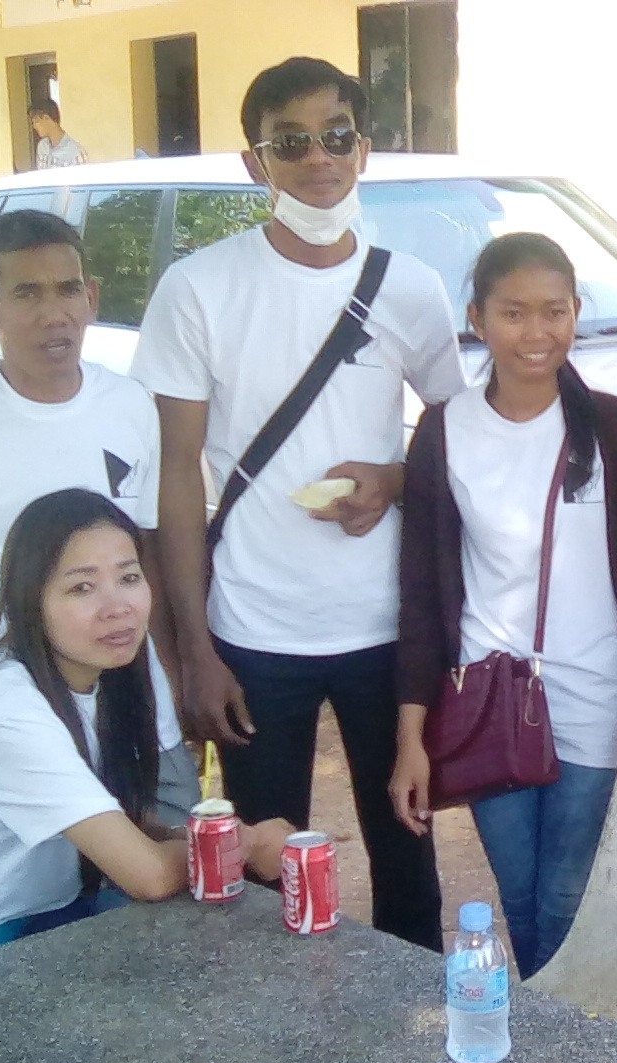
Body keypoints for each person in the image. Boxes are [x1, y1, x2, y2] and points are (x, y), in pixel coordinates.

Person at [132, 57, 463, 952]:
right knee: (260, 867)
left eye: (336, 136)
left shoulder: (412, 288)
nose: (318, 158)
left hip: (386, 631)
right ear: (256, 163)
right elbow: (175, 474)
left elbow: (456, 439)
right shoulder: (199, 288)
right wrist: (193, 650)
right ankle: (274, 1057)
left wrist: (392, 481)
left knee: (407, 855)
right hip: (252, 631)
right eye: (291, 141)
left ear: (364, 150)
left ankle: (411, 1040)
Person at [390, 232, 617, 977]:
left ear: (576, 314)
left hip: (593, 697)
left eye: (554, 312)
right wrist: (410, 739)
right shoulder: (444, 429)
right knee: (519, 900)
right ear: (478, 318)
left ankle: (557, 1040)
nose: (537, 333)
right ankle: (543, 1038)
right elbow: (424, 595)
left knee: (567, 896)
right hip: (487, 701)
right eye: (515, 313)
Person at [0, 490, 293, 966]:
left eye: (128, 578)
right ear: (31, 602)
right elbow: (148, 875)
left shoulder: (100, 678)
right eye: (82, 587)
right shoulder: (11, 716)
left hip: (55, 917)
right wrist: (244, 844)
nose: (117, 606)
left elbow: (126, 825)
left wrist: (234, 837)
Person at [0, 210, 198, 829]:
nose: (54, 314)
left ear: (91, 296)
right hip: (28, 744)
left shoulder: (130, 406)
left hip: (143, 730)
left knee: (189, 907)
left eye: (67, 288)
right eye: (26, 292)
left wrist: (177, 678)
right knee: (61, 921)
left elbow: (144, 556)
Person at [29, 101, 88, 170]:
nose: (34, 126)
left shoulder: (76, 152)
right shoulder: (42, 146)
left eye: (36, 121)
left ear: (46, 118)